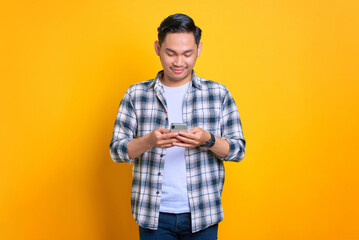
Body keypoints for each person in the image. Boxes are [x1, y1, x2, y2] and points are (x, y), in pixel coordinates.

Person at [109, 13, 245, 240]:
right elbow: (117, 152)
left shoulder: (218, 94)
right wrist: (149, 141)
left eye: (187, 54)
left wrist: (207, 140)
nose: (179, 62)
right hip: (153, 215)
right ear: (157, 48)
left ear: (199, 49)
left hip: (203, 213)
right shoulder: (136, 95)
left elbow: (238, 151)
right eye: (170, 53)